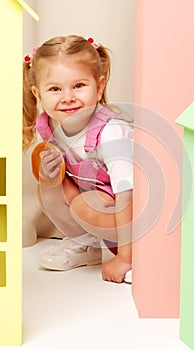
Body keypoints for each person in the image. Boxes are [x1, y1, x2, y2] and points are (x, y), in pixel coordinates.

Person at [23, 35, 133, 283]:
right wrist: (48, 175)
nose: (68, 97)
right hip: (97, 203)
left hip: (131, 214)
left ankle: (127, 252)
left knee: (84, 204)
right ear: (38, 94)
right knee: (48, 186)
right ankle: (88, 246)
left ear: (100, 86)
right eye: (54, 89)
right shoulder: (51, 125)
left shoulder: (111, 132)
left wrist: (125, 257)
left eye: (79, 86)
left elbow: (128, 194)